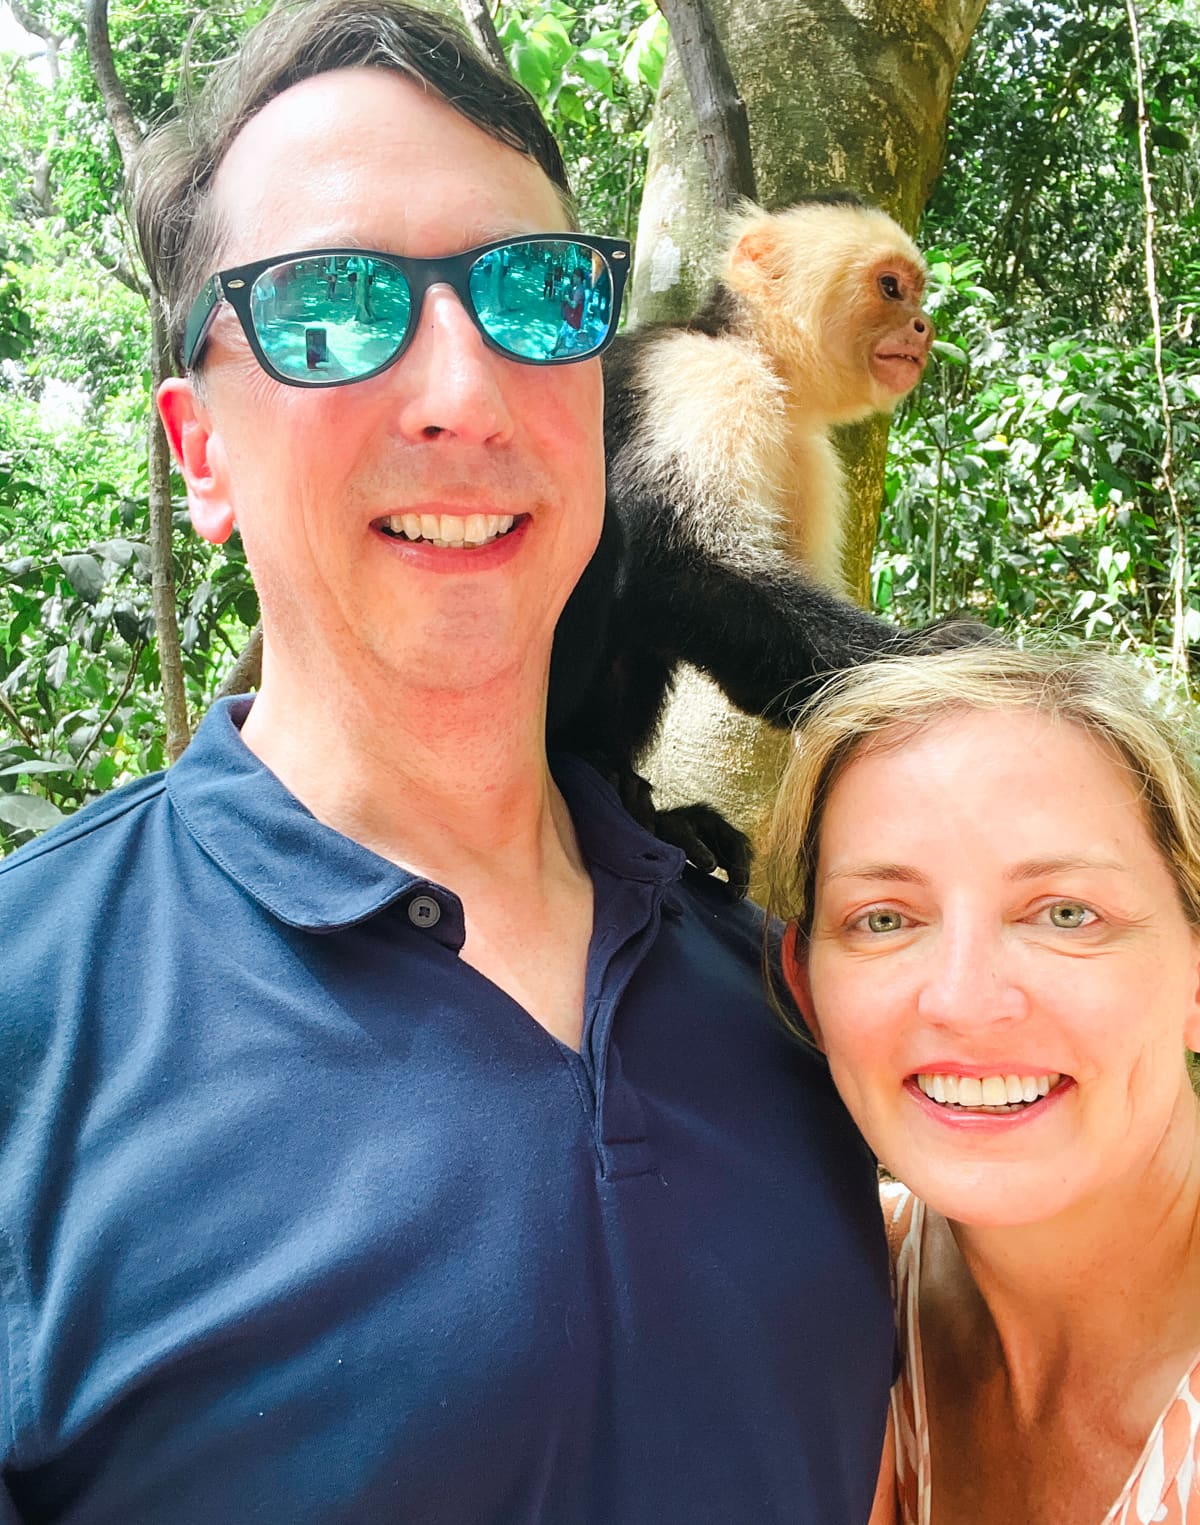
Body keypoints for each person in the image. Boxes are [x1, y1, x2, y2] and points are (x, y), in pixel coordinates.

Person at [0, 2, 896, 1519]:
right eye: (330, 310)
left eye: (536, 297)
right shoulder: (39, 1019)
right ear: (199, 452)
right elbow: (731, 612)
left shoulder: (812, 1005)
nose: (463, 396)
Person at [763, 644, 1200, 1525]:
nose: (965, 1000)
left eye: (1067, 913)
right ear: (806, 986)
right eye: (884, 918)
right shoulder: (827, 1288)